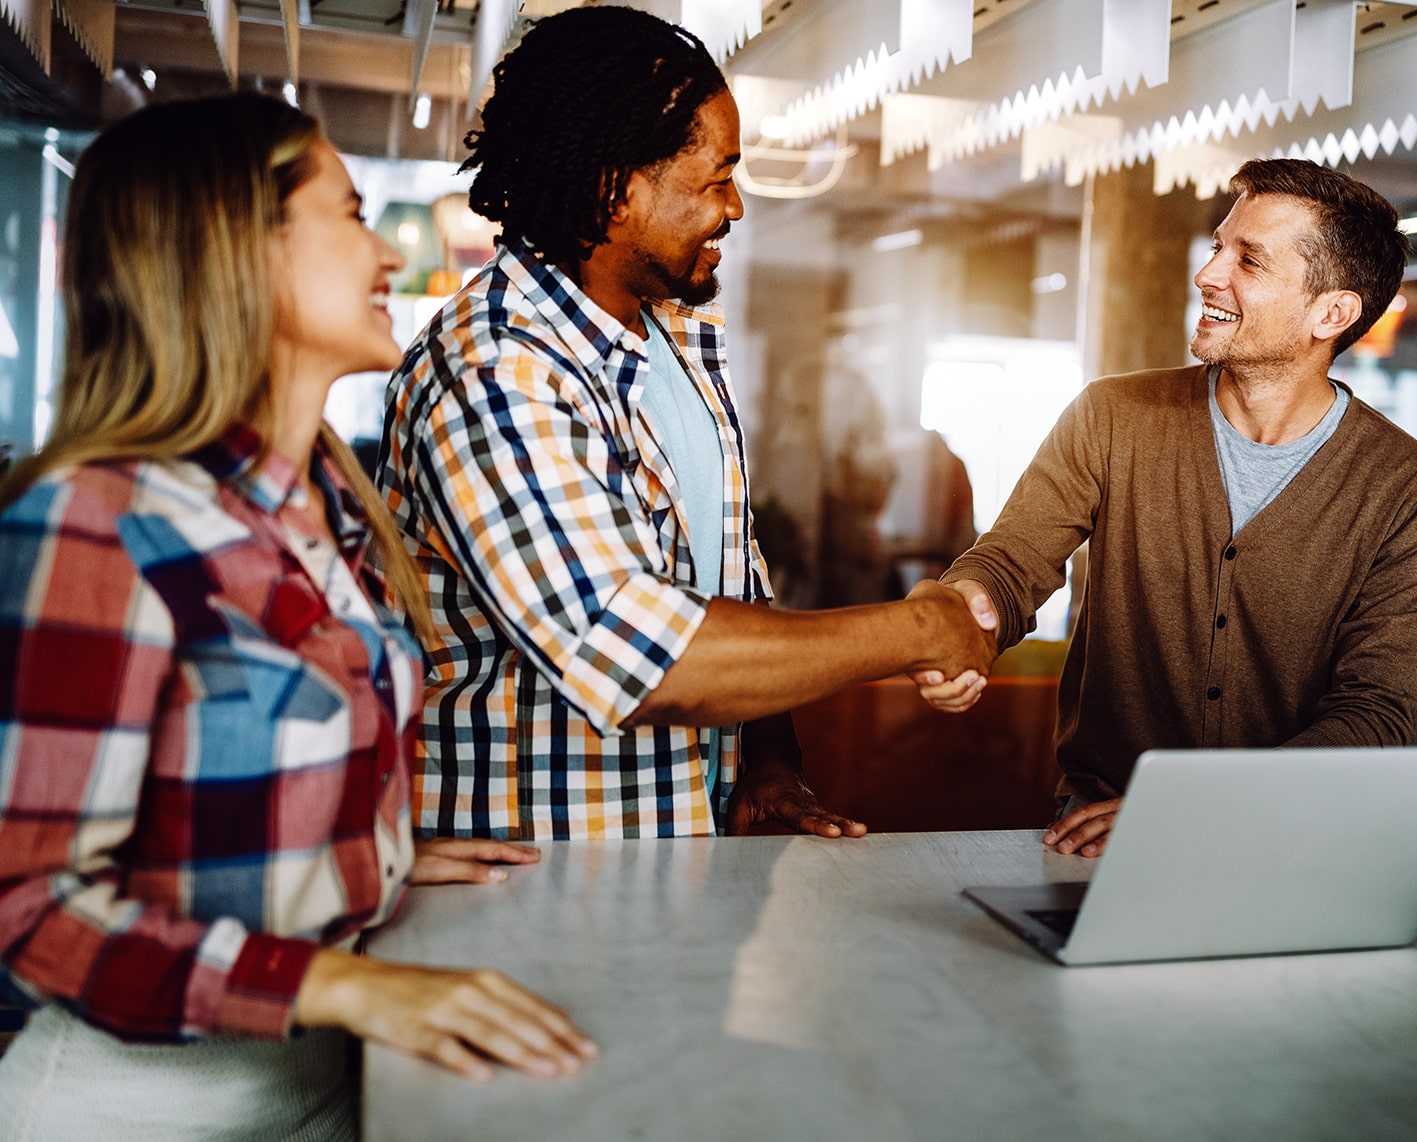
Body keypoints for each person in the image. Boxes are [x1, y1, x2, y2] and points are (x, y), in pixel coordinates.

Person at [0, 96, 594, 1140]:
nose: (389, 251)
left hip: (320, 1086)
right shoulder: (100, 522)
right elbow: (27, 909)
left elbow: (226, 789)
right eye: (353, 214)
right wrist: (341, 980)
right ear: (239, 246)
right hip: (134, 1114)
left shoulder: (325, 507)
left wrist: (365, 853)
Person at [378, 7, 994, 843]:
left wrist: (769, 758)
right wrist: (918, 628)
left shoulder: (674, 334)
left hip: (673, 856)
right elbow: (633, 651)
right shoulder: (494, 370)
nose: (735, 205)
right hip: (536, 873)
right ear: (616, 187)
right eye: (715, 178)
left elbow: (731, 582)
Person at [918, 158, 1417, 857]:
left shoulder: (1408, 487)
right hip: (1098, 828)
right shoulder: (1113, 415)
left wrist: (1193, 809)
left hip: (1288, 838)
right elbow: (1012, 561)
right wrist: (968, 615)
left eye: (1249, 260)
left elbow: (1375, 712)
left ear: (1332, 313)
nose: (1208, 274)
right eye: (1218, 247)